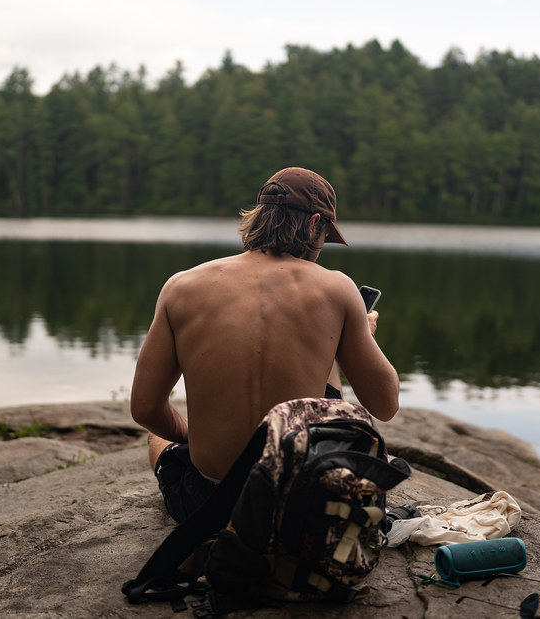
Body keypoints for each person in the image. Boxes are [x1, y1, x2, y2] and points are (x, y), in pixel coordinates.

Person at [130, 166, 400, 522]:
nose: (320, 248)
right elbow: (385, 405)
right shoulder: (337, 288)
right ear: (313, 223)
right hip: (299, 509)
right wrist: (357, 337)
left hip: (209, 505)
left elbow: (146, 408)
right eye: (324, 235)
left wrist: (192, 438)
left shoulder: (181, 286)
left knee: (156, 437)